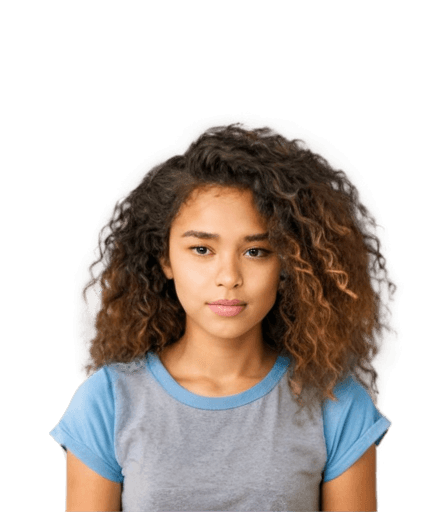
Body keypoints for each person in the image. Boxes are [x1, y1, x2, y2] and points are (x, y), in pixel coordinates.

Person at [50, 122, 393, 511]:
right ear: (165, 258)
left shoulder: (337, 404)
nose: (228, 278)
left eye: (256, 251)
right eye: (201, 249)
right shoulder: (108, 402)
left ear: (287, 264)